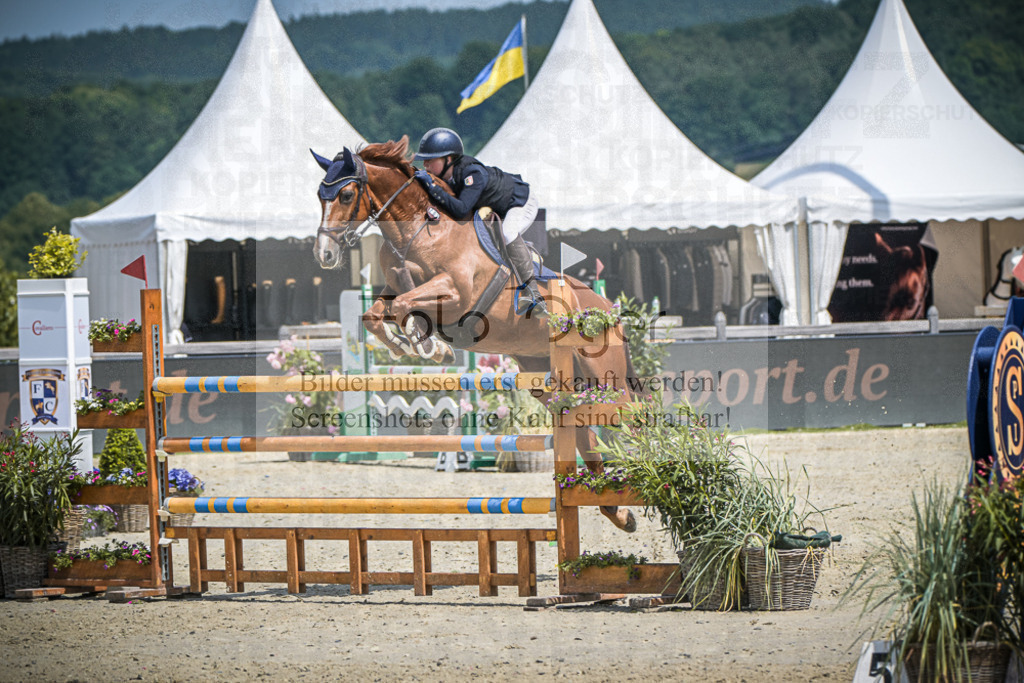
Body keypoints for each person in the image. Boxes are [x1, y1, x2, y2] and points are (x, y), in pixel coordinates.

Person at [412, 127, 546, 316]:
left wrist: (432, 187)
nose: (425, 164)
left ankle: (533, 292)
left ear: (448, 159)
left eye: (430, 159)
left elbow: (460, 209)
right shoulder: (447, 176)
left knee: (508, 233)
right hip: (497, 206)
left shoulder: (472, 173)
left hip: (520, 201)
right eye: (424, 160)